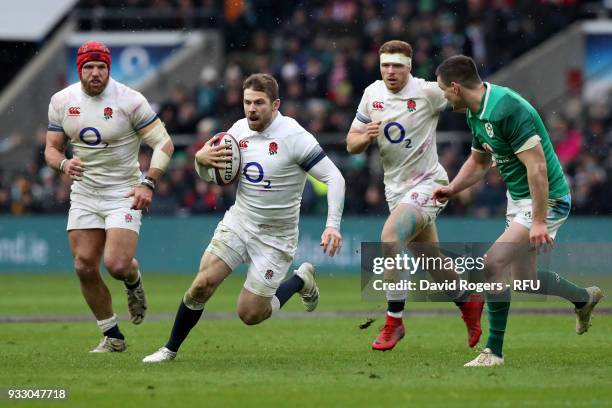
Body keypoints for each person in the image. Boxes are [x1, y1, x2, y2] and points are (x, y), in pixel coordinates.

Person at [142, 73, 345, 363]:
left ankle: (300, 280)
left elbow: (335, 177)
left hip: (276, 236)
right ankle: (169, 349)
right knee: (201, 285)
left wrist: (332, 225)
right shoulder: (237, 132)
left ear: (276, 104)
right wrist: (200, 159)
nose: (251, 109)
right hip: (240, 222)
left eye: (259, 103)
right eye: (247, 102)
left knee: (250, 314)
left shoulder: (294, 137)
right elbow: (212, 174)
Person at [433, 55, 603, 367]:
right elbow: (479, 161)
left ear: (456, 87)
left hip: (546, 198)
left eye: (444, 91)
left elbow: (537, 167)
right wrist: (453, 188)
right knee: (527, 280)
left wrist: (539, 221)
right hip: (521, 199)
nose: (444, 97)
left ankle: (493, 352)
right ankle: (583, 298)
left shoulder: (506, 108)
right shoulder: (475, 112)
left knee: (493, 263)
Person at [346, 40, 484, 352]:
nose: (390, 71)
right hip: (395, 190)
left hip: (428, 185)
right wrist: (362, 138)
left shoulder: (428, 92)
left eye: (397, 65)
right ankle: (469, 302)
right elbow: (350, 142)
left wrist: (487, 133)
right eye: (385, 66)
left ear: (410, 66)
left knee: (390, 237)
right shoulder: (372, 95)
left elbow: (471, 99)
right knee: (432, 260)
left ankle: (394, 321)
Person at [45, 41, 175, 352]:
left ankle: (133, 280)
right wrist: (63, 163)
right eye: (88, 67)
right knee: (84, 265)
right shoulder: (61, 101)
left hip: (124, 191)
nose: (95, 73)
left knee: (116, 264)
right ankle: (113, 336)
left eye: (101, 67)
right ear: (79, 70)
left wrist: (148, 184)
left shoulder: (130, 100)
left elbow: (165, 144)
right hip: (85, 193)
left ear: (108, 69)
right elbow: (51, 148)